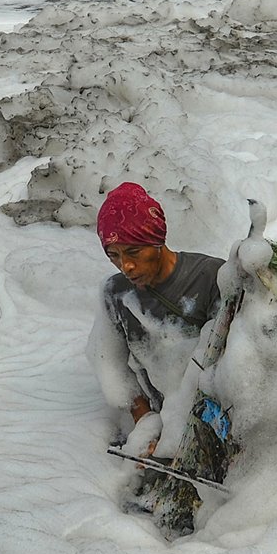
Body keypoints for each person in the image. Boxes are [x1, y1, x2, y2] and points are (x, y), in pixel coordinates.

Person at [86, 182, 234, 535]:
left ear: (157, 240)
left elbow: (236, 364)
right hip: (163, 422)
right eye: (114, 255)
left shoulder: (211, 278)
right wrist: (144, 421)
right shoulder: (115, 295)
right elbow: (115, 365)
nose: (127, 266)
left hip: (212, 415)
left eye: (134, 251)